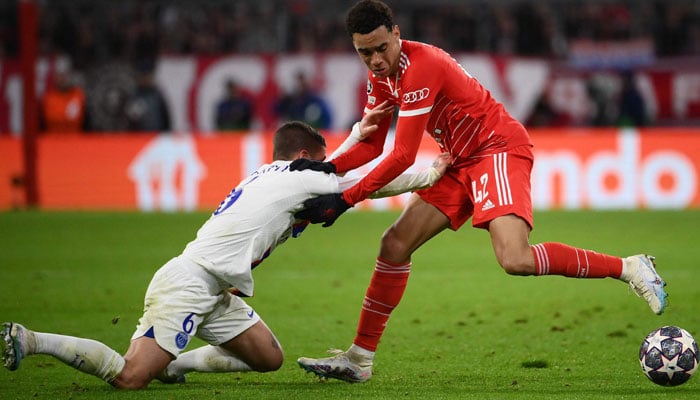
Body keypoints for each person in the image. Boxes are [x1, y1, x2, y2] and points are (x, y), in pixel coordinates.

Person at [292, 0, 668, 383]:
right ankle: (360, 358)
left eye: (380, 48)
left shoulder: (421, 66)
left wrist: (345, 199)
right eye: (364, 52)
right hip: (457, 160)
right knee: (394, 244)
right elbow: (372, 146)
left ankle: (630, 267)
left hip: (495, 148)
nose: (374, 59)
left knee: (515, 259)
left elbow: (403, 155)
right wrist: (327, 168)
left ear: (397, 35)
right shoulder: (382, 77)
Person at [1, 107, 452, 390]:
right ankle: (32, 338)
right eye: (322, 160)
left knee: (268, 359)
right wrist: (428, 175)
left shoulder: (270, 173)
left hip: (217, 288)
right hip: (190, 283)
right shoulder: (303, 176)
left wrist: (356, 132)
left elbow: (335, 167)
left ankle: (175, 365)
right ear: (302, 157)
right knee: (130, 376)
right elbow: (357, 182)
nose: (328, 168)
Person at [41, 69, 86, 133]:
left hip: (75, 137)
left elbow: (85, 120)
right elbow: (46, 120)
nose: (63, 80)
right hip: (52, 137)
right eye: (60, 76)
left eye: (65, 76)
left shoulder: (78, 95)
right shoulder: (49, 97)